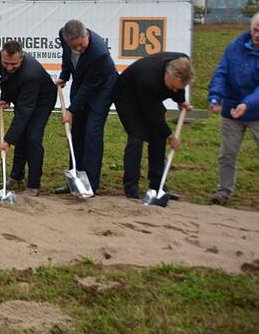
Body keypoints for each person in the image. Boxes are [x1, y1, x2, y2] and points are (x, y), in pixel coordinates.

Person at [115, 52, 194, 199]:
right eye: (173, 87)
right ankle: (131, 187)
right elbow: (153, 115)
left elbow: (178, 87)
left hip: (150, 97)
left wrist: (180, 100)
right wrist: (170, 136)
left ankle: (158, 186)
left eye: (178, 89)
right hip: (127, 97)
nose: (174, 91)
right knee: (137, 138)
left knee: (157, 138)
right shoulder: (149, 80)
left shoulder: (183, 63)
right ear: (167, 74)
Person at [53, 20, 117, 194]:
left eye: (81, 45)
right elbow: (67, 56)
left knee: (92, 132)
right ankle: (74, 181)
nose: (78, 49)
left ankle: (90, 184)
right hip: (81, 82)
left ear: (86, 35)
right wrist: (64, 76)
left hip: (102, 88)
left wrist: (72, 110)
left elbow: (90, 86)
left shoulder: (99, 53)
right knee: (77, 132)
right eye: (75, 46)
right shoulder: (63, 35)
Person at [207, 13, 259, 205]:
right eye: (255, 30)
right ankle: (223, 191)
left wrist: (247, 105)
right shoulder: (234, 47)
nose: (258, 35)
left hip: (256, 111)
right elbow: (222, 73)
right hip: (231, 110)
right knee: (227, 153)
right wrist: (215, 97)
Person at [0, 41, 57, 196]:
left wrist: (8, 140)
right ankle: (17, 175)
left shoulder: (31, 74)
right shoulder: (2, 59)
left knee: (33, 138)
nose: (9, 67)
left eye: (14, 64)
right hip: (23, 96)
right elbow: (4, 78)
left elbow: (24, 113)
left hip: (42, 101)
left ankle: (33, 185)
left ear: (22, 58)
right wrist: (5, 97)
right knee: (22, 135)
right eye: (6, 63)